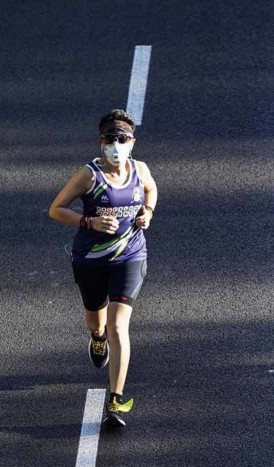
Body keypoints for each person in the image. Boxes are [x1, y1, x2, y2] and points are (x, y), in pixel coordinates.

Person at [48, 109, 158, 426]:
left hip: (131, 257)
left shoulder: (140, 170)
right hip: (91, 260)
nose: (116, 145)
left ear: (132, 142)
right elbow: (56, 209)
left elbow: (151, 189)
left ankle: (115, 401)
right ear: (100, 143)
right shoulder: (88, 175)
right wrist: (89, 221)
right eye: (110, 140)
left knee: (118, 326)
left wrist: (148, 211)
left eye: (122, 139)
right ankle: (97, 339)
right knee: (98, 323)